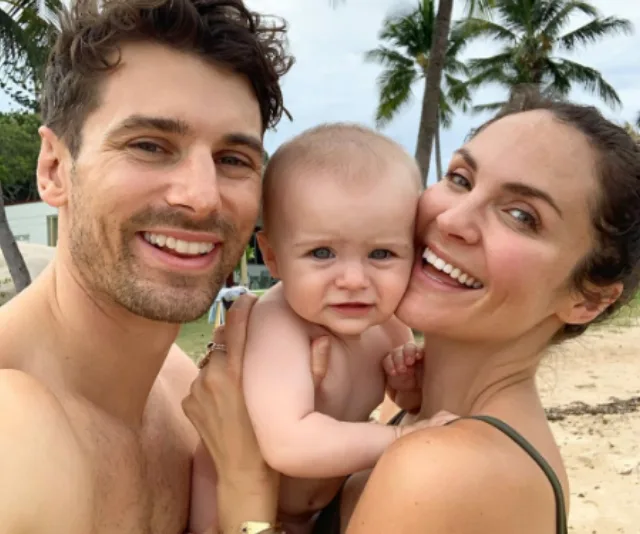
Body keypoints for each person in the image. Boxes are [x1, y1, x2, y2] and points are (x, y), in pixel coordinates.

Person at [183, 92, 640, 534]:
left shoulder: (436, 467)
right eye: (460, 179)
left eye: (522, 215)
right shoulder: (417, 411)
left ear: (589, 300)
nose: (451, 220)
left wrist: (246, 492)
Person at [0, 1, 296, 533]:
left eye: (233, 160)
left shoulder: (190, 404)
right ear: (53, 169)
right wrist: (250, 495)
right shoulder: (12, 427)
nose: (203, 198)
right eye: (150, 146)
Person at [189, 123, 450, 534]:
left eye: (381, 253)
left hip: (319, 512)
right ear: (273, 257)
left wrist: (408, 388)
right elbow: (289, 444)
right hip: (230, 515)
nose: (352, 279)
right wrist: (400, 440)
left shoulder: (389, 328)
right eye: (322, 253)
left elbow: (399, 401)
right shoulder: (280, 326)